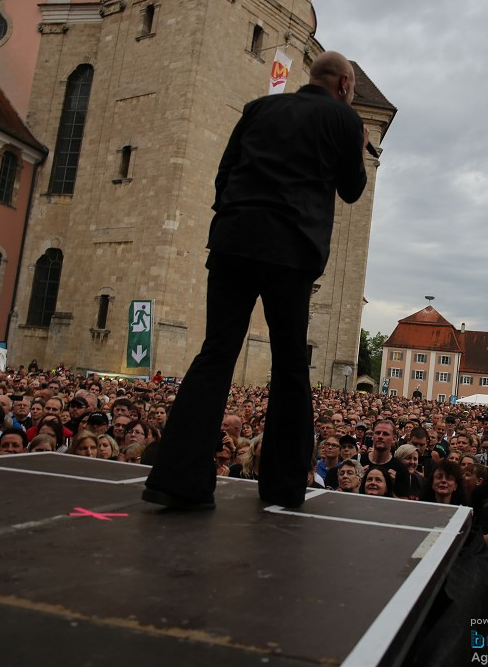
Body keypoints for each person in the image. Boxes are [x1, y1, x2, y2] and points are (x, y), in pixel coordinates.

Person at [143, 50, 368, 510]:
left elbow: (223, 177)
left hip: (234, 239)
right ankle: (283, 486)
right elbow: (351, 189)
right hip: (290, 249)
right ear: (345, 85)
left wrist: (238, 215)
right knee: (289, 365)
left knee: (216, 353)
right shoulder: (344, 119)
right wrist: (358, 141)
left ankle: (177, 478)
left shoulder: (258, 108)